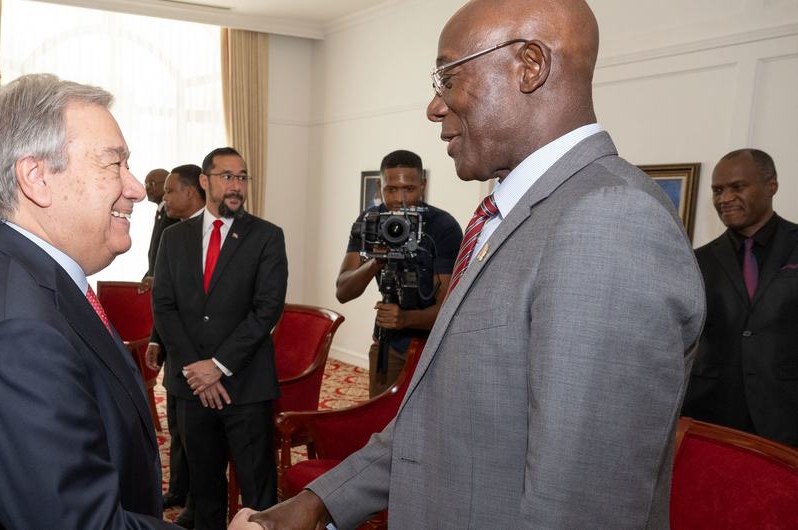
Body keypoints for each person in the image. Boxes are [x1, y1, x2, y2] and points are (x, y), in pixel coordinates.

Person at [240, 1, 705, 528]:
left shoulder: (607, 222)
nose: (434, 108)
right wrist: (316, 503)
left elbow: (579, 506)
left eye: (448, 78)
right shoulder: (516, 217)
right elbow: (439, 422)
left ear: (530, 65)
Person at [0, 73, 178, 529]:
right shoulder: (18, 330)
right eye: (113, 164)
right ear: (36, 178)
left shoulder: (9, 269)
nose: (136, 188)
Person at [153, 147, 289, 530]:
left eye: (242, 177)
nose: (236, 185)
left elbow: (266, 310)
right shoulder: (174, 238)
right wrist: (197, 371)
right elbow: (164, 307)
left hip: (245, 386)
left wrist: (217, 366)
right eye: (227, 176)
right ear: (205, 180)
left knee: (258, 495)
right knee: (204, 491)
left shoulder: (267, 237)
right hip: (192, 389)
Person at [683, 148, 797, 447]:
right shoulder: (697, 260)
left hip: (786, 417)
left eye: (737, 187)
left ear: (771, 185)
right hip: (713, 419)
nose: (725, 199)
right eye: (717, 190)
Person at [335, 150, 461, 397]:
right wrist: (375, 262)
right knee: (382, 421)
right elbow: (342, 291)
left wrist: (404, 319)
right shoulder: (370, 222)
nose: (400, 199)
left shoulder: (443, 226)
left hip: (433, 345)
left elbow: (448, 309)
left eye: (409, 189)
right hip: (389, 343)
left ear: (422, 185)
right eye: (390, 189)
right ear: (380, 187)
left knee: (428, 421)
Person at [145, 163, 207, 528]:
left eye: (170, 191)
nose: (164, 197)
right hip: (176, 349)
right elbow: (165, 294)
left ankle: (198, 503)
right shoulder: (173, 231)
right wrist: (157, 338)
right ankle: (180, 489)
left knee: (200, 434)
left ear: (191, 192)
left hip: (205, 355)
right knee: (179, 428)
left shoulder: (216, 232)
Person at [142, 167, 176, 292]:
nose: (147, 188)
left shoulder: (174, 216)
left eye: (152, 183)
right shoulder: (161, 213)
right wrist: (149, 275)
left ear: (166, 185)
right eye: (146, 184)